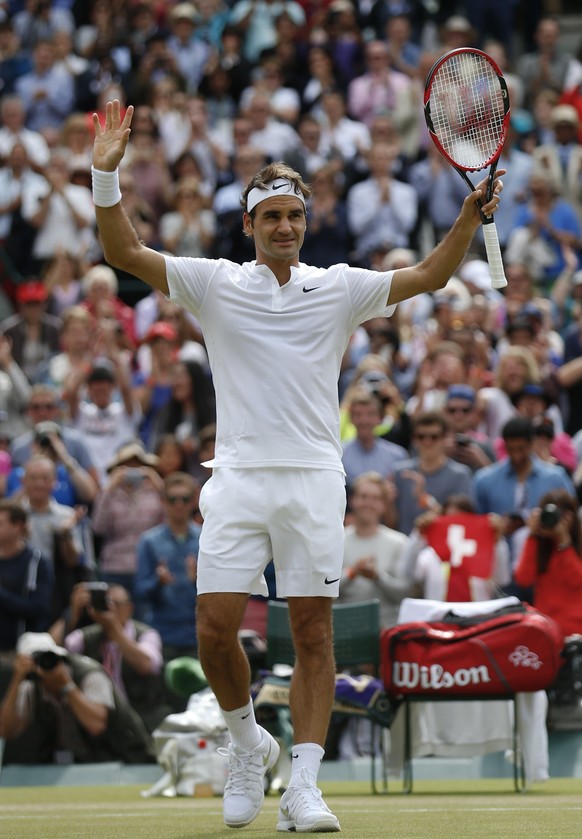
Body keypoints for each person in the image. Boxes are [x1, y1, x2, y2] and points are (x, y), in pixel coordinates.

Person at [90, 99, 503, 833]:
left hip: (314, 479)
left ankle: (303, 787)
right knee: (214, 631)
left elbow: (432, 275)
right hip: (239, 478)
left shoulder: (339, 286)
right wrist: (104, 175)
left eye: (295, 215)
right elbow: (124, 254)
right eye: (271, 215)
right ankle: (249, 742)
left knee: (313, 635)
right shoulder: (215, 283)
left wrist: (469, 217)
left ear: (305, 223)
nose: (285, 226)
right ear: (248, 226)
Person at [0, 631, 154, 765]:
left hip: (123, 759)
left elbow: (96, 726)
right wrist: (16, 680)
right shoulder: (30, 686)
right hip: (76, 764)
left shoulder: (89, 673)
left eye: (49, 658)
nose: (43, 668)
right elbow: (6, 731)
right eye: (36, 662)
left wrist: (66, 686)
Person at [64, 583, 169, 733]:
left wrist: (113, 628)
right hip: (102, 721)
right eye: (105, 603)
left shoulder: (146, 634)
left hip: (143, 720)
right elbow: (60, 654)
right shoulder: (85, 637)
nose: (110, 609)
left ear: (130, 608)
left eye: (116, 604)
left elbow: (147, 665)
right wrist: (73, 614)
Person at [134, 472, 200, 664]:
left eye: (184, 499)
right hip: (163, 632)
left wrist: (198, 581)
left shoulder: (205, 538)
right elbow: (140, 591)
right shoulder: (149, 541)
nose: (179, 505)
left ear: (193, 501)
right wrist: (158, 582)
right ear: (163, 502)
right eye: (172, 499)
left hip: (196, 632)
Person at [339, 471, 411, 629]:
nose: (368, 503)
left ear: (384, 505)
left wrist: (378, 576)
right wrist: (353, 572)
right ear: (352, 500)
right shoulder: (337, 540)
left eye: (376, 498)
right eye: (363, 497)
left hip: (386, 631)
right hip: (344, 630)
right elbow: (325, 591)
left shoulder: (399, 542)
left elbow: (406, 593)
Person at [513, 489, 582, 639]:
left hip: (576, 633)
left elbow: (577, 581)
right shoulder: (539, 545)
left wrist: (563, 543)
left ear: (571, 517)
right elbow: (523, 579)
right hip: (547, 632)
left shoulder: (576, 546)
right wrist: (532, 535)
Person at [0, 499, 54, 657]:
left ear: (18, 526)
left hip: (20, 651)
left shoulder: (37, 563)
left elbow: (40, 608)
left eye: (1, 523)